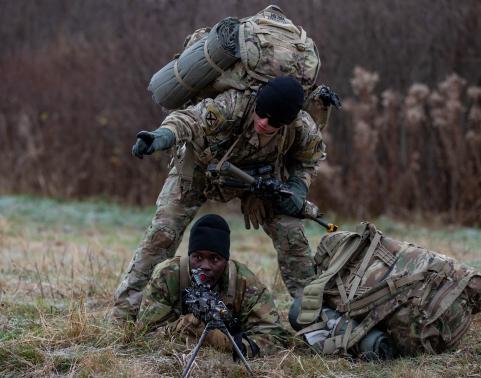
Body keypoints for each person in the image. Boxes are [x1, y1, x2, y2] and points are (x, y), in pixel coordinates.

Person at [112, 76, 326, 321]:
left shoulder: (302, 128)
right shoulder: (231, 105)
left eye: (275, 121)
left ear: (288, 121)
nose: (264, 123)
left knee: (292, 234)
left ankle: (314, 315)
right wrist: (162, 136)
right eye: (262, 113)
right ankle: (125, 313)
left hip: (258, 183)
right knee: (162, 233)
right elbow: (188, 120)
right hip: (201, 171)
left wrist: (297, 189)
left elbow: (309, 160)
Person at [137, 214, 293, 356]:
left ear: (226, 261)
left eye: (214, 259)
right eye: (197, 257)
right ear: (189, 255)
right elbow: (145, 333)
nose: (205, 266)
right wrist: (178, 328)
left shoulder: (243, 282)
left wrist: (231, 345)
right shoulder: (168, 275)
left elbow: (275, 337)